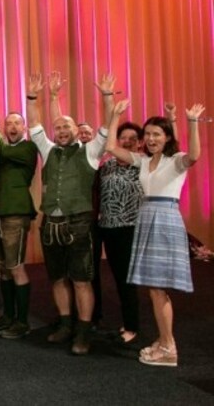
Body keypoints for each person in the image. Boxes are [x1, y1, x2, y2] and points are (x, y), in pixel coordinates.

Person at [105, 100, 204, 367]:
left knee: (157, 289)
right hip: (147, 218)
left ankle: (169, 347)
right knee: (153, 289)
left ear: (167, 137)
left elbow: (194, 156)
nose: (150, 139)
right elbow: (111, 148)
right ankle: (164, 340)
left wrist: (192, 122)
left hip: (164, 220)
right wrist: (114, 115)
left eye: (156, 134)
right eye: (147, 134)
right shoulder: (143, 160)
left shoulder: (175, 161)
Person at [26, 71, 112, 355]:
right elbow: (35, 123)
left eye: (67, 127)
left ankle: (83, 332)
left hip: (79, 223)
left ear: (77, 130)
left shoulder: (90, 152)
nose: (62, 131)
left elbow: (108, 128)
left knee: (81, 279)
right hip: (51, 222)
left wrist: (107, 97)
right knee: (57, 278)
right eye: (59, 128)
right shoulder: (48, 150)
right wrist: (36, 96)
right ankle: (65, 325)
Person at [0, 104, 39, 338]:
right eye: (9, 123)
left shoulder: (27, 148)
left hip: (16, 214)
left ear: (24, 128)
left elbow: (0, 151)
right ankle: (8, 316)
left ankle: (22, 321)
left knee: (15, 267)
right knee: (3, 269)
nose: (12, 126)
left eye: (17, 123)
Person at [97, 119, 144, 346]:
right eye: (123, 138)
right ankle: (124, 321)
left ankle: (132, 326)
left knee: (128, 280)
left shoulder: (144, 164)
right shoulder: (107, 165)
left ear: (140, 143)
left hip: (130, 228)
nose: (127, 142)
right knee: (117, 277)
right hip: (108, 229)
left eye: (132, 139)